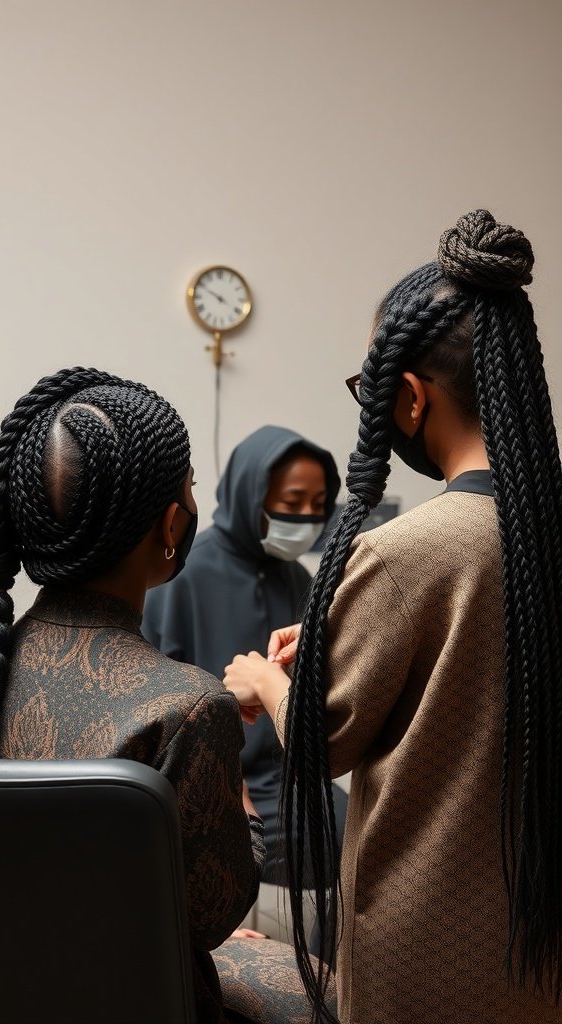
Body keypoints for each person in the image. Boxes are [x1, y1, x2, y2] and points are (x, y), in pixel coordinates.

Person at [224, 211, 562, 1023]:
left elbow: (323, 740)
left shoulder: (404, 551)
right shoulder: (542, 539)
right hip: (538, 938)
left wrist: (266, 680)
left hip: (426, 943)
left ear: (409, 397)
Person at [0, 367, 324, 1024]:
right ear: (172, 526)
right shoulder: (188, 708)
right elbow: (213, 918)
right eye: (190, 488)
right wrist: (232, 771)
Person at [142, 425, 347, 891]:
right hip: (217, 779)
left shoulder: (297, 578)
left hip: (291, 777)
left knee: (367, 836)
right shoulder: (181, 578)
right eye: (292, 502)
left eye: (318, 504)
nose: (306, 517)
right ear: (248, 494)